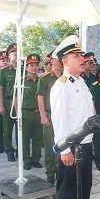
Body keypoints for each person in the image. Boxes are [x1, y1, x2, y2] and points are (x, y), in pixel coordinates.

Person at [50, 35, 100, 199]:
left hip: (85, 144)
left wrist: (91, 141)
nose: (82, 59)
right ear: (65, 60)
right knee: (68, 189)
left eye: (81, 55)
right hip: (70, 147)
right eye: (77, 56)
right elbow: (59, 120)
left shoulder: (81, 82)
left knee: (84, 186)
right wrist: (65, 150)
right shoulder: (61, 86)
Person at [37, 52, 61, 184]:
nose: (61, 63)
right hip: (49, 114)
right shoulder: (45, 78)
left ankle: (62, 169)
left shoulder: (66, 77)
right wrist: (43, 116)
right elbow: (40, 98)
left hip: (63, 115)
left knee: (63, 143)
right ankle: (50, 172)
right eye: (58, 60)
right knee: (49, 144)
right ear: (52, 62)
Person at [21, 53, 43, 170]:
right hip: (26, 113)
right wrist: (18, 114)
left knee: (38, 137)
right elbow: (16, 98)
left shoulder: (41, 80)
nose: (34, 67)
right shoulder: (21, 81)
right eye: (31, 65)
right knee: (25, 138)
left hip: (38, 112)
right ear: (26, 67)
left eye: (36, 65)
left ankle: (36, 158)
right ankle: (26, 159)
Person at [0, 44, 18, 161]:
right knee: (7, 128)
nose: (16, 55)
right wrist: (1, 105)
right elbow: (0, 89)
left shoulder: (24, 70)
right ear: (9, 56)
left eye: (18, 53)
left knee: (20, 128)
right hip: (8, 101)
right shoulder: (3, 72)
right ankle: (9, 151)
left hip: (21, 102)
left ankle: (20, 150)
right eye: (14, 53)